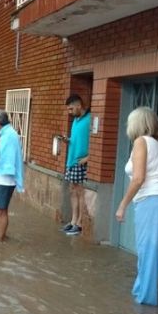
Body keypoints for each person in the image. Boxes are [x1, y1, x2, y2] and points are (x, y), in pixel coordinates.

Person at [116, 107, 158, 306]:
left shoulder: (141, 142)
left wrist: (122, 205)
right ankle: (141, 289)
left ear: (137, 124)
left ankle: (146, 300)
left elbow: (138, 179)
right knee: (155, 251)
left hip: (152, 201)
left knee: (148, 251)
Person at [0, 109, 24, 242]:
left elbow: (10, 155)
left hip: (5, 179)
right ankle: (2, 233)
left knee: (2, 210)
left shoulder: (11, 135)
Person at [61, 94, 91, 236]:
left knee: (80, 191)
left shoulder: (90, 119)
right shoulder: (75, 120)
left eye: (71, 109)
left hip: (80, 161)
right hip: (71, 160)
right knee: (72, 190)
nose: (70, 112)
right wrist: (68, 140)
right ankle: (73, 221)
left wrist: (88, 158)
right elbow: (77, 139)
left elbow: (96, 141)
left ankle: (79, 223)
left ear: (79, 105)